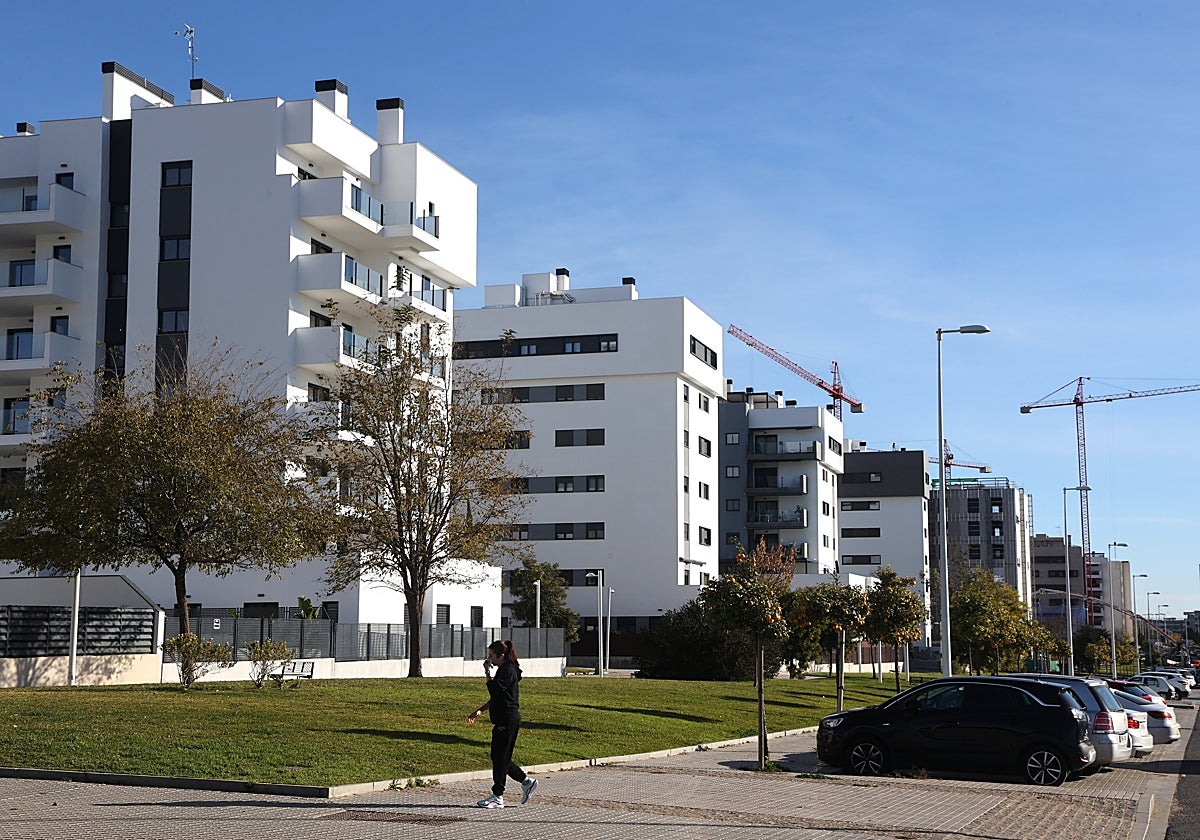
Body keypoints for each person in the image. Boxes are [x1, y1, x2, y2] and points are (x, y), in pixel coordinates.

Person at [467, 639, 537, 808]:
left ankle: (498, 796)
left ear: (501, 655)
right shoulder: (505, 670)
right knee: (499, 757)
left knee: (500, 759)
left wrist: (487, 674)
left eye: (491, 655)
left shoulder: (507, 671)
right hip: (503, 718)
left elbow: (495, 690)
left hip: (508, 719)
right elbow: (498, 697)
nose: (489, 659)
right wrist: (480, 710)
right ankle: (526, 781)